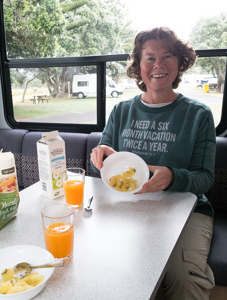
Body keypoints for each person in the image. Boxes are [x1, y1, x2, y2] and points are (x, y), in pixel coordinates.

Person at [90, 27, 216, 299]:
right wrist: (101, 158)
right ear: (138, 66)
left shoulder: (199, 115)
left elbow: (205, 178)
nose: (158, 65)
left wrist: (172, 177)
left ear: (180, 63)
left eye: (167, 56)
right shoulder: (121, 110)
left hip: (185, 209)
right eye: (149, 58)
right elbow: (100, 166)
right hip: (127, 207)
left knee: (185, 280)